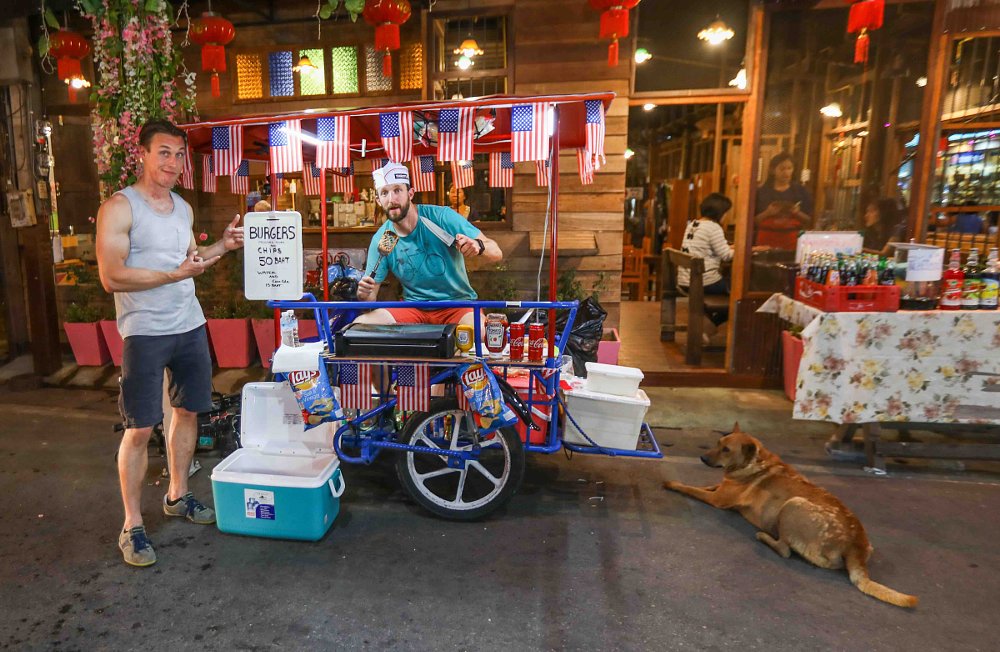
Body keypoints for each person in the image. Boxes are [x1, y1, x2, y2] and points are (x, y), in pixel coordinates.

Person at [96, 118, 244, 567]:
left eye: (180, 155)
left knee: (187, 411)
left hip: (189, 324)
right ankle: (131, 524)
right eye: (164, 152)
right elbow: (111, 276)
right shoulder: (121, 207)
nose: (174, 163)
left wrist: (221, 246)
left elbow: (189, 263)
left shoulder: (182, 208)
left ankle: (178, 495)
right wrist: (171, 275)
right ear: (141, 154)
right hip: (143, 330)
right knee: (140, 428)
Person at [356, 162, 502, 327]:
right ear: (378, 200)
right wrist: (364, 295)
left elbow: (497, 253)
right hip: (414, 308)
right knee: (361, 325)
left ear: (410, 193)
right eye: (384, 193)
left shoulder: (441, 218)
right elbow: (369, 301)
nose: (391, 199)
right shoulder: (384, 238)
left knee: (477, 332)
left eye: (397, 190)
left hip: (457, 305)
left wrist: (478, 246)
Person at [677, 193, 735, 332]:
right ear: (719, 212)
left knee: (731, 290)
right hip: (705, 282)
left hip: (686, 280)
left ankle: (704, 322)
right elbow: (726, 255)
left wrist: (732, 247)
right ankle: (709, 325)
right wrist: (744, 250)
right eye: (726, 212)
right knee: (740, 298)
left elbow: (711, 247)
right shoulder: (714, 228)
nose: (726, 216)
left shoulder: (694, 224)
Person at [754, 152, 814, 250]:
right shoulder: (762, 192)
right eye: (782, 169)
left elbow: (809, 220)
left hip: (792, 240)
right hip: (767, 239)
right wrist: (767, 212)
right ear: (773, 170)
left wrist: (797, 212)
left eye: (789, 168)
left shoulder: (800, 191)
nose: (786, 172)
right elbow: (753, 221)